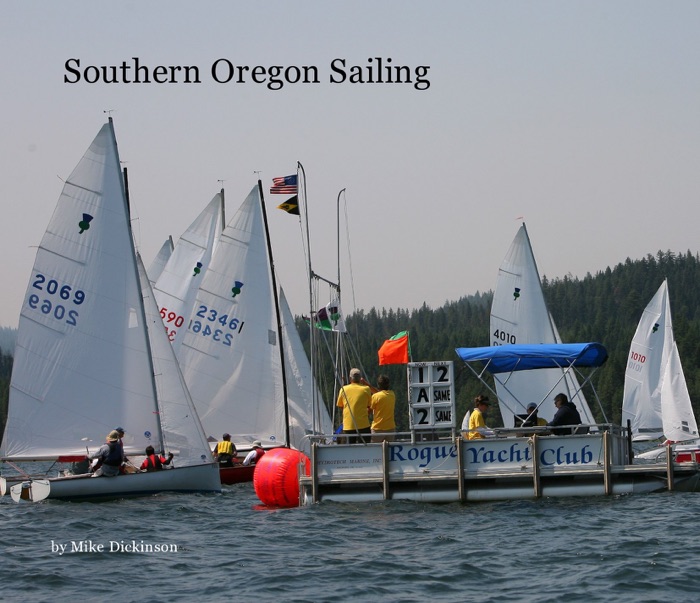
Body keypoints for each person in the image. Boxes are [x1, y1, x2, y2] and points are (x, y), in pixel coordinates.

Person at [336, 368, 372, 444]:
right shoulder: (366, 389)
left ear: (350, 378)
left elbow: (340, 405)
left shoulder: (343, 389)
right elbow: (369, 405)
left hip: (348, 425)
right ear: (360, 379)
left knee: (349, 451)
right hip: (363, 424)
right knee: (365, 449)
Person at [370, 374, 396, 442]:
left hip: (377, 428)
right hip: (390, 428)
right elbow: (381, 394)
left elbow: (370, 408)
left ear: (378, 385)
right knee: (390, 451)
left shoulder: (375, 396)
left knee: (375, 450)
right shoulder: (392, 394)